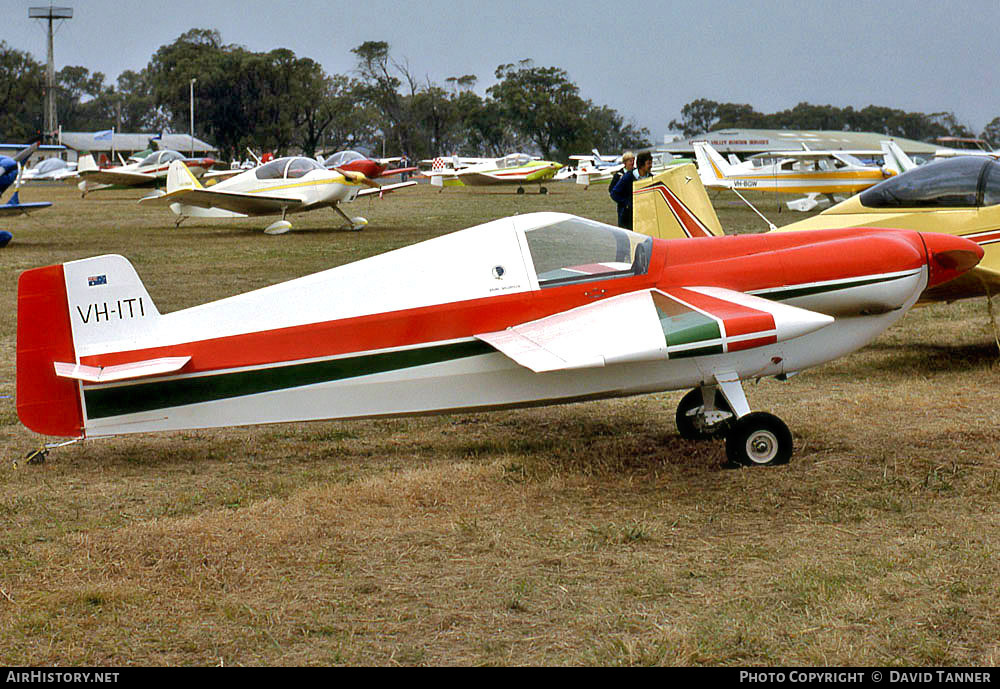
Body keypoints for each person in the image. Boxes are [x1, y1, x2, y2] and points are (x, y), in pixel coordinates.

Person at [610, 151, 653, 230]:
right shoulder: (628, 176)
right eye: (649, 164)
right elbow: (614, 193)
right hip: (627, 218)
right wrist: (627, 204)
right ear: (641, 165)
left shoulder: (651, 178)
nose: (651, 166)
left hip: (644, 217)